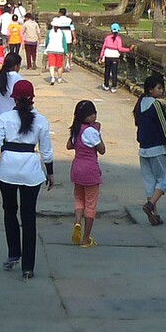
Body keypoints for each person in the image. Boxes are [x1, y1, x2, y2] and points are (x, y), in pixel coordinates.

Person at [0, 79, 55, 279]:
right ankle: (28, 267)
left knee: (9, 211)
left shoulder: (5, 118)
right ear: (32, 98)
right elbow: (46, 152)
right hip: (31, 171)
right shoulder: (41, 120)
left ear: (14, 98)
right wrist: (50, 172)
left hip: (7, 169)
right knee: (29, 217)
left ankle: (13, 252)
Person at [133, 73, 166, 226]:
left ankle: (154, 215)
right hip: (157, 148)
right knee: (163, 180)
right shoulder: (156, 105)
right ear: (150, 90)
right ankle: (150, 205)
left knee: (150, 182)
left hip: (143, 148)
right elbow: (164, 126)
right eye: (159, 88)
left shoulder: (140, 103)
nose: (161, 91)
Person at [66, 99, 105, 248]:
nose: (94, 116)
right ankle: (85, 239)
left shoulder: (77, 129)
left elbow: (69, 145)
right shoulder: (91, 131)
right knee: (90, 204)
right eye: (91, 114)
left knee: (79, 199)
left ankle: (77, 223)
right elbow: (102, 149)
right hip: (90, 170)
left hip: (77, 168)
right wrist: (98, 133)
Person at [100, 24, 130, 92]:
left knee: (107, 71)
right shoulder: (118, 39)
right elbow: (120, 49)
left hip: (108, 55)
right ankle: (113, 86)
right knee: (114, 72)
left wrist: (101, 57)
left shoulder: (107, 38)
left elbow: (103, 48)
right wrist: (128, 49)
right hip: (115, 56)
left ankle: (106, 85)